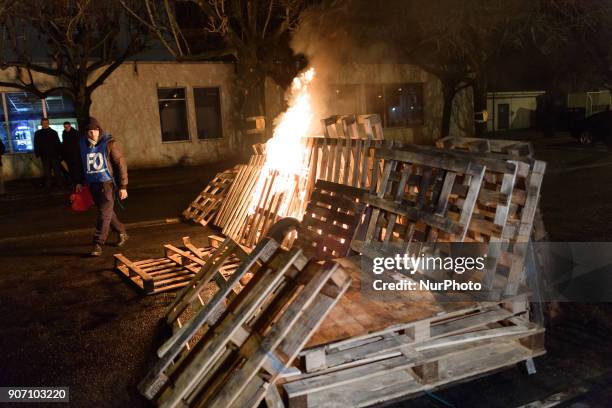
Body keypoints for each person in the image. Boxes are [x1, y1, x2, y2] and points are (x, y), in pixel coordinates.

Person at [75, 117, 129, 256]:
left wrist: (123, 186)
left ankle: (98, 243)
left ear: (100, 130)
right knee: (107, 213)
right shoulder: (83, 144)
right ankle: (122, 232)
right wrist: (79, 181)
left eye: (96, 130)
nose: (93, 133)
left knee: (103, 215)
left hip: (107, 184)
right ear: (86, 132)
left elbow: (120, 163)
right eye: (90, 130)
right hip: (93, 184)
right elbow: (81, 164)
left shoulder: (109, 143)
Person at [33, 118, 63, 188]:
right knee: (47, 171)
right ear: (41, 124)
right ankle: (49, 184)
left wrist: (59, 154)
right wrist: (37, 154)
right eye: (43, 123)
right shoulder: (38, 133)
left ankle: (59, 183)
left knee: (57, 170)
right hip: (44, 155)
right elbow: (36, 144)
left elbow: (57, 143)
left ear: (48, 123)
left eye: (46, 123)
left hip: (54, 155)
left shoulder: (54, 132)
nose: (45, 124)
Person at [61, 121, 81, 186]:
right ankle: (74, 182)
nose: (66, 128)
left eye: (67, 127)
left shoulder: (75, 133)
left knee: (76, 169)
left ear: (70, 126)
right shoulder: (64, 133)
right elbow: (64, 144)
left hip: (75, 155)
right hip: (68, 155)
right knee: (71, 169)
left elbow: (77, 145)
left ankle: (78, 182)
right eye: (65, 127)